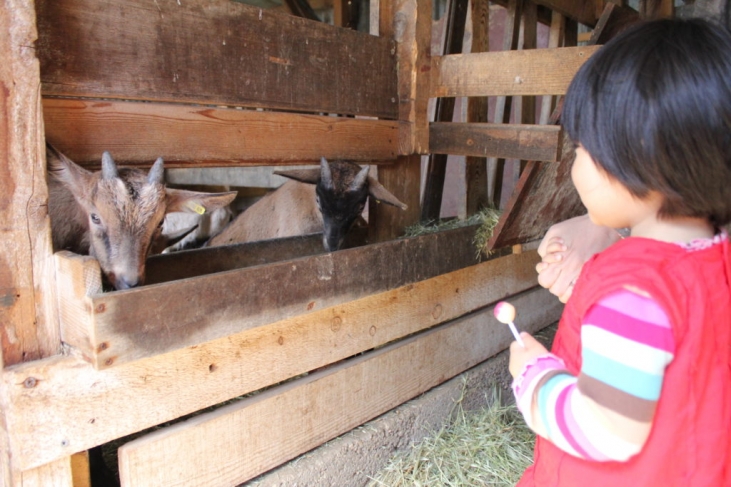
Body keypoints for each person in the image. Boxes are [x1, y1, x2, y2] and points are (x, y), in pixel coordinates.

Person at [508, 17, 731, 486]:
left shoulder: (634, 291)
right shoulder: (714, 257)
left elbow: (606, 429)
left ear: (644, 160)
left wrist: (535, 381)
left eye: (584, 148)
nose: (575, 164)